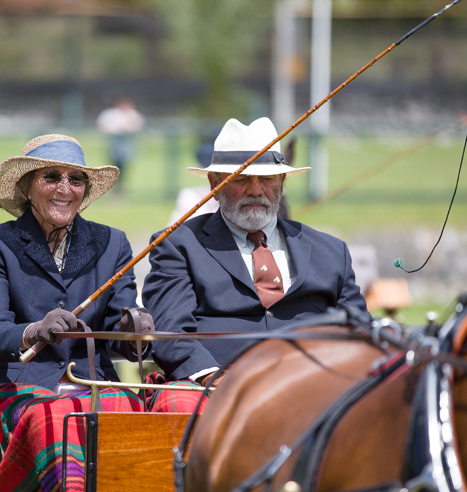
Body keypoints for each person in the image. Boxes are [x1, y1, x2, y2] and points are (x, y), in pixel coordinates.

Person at [0, 134, 153, 492]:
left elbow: (120, 322)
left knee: (136, 420)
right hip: (20, 388)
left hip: (95, 384)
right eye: (51, 177)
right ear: (26, 186)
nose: (64, 188)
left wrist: (133, 326)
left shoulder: (113, 244)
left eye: (76, 180)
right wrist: (34, 330)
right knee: (56, 424)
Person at [142, 117, 370, 411]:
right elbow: (170, 333)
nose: (255, 190)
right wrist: (215, 379)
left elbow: (360, 331)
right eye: (241, 178)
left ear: (282, 183)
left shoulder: (331, 251)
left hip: (316, 388)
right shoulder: (178, 245)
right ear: (214, 184)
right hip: (219, 393)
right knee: (181, 404)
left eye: (266, 178)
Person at [96, 96, 144, 195]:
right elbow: (104, 127)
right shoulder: (111, 114)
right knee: (113, 169)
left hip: (127, 146)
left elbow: (137, 126)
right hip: (114, 146)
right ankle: (113, 193)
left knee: (124, 171)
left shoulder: (132, 114)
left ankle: (120, 192)